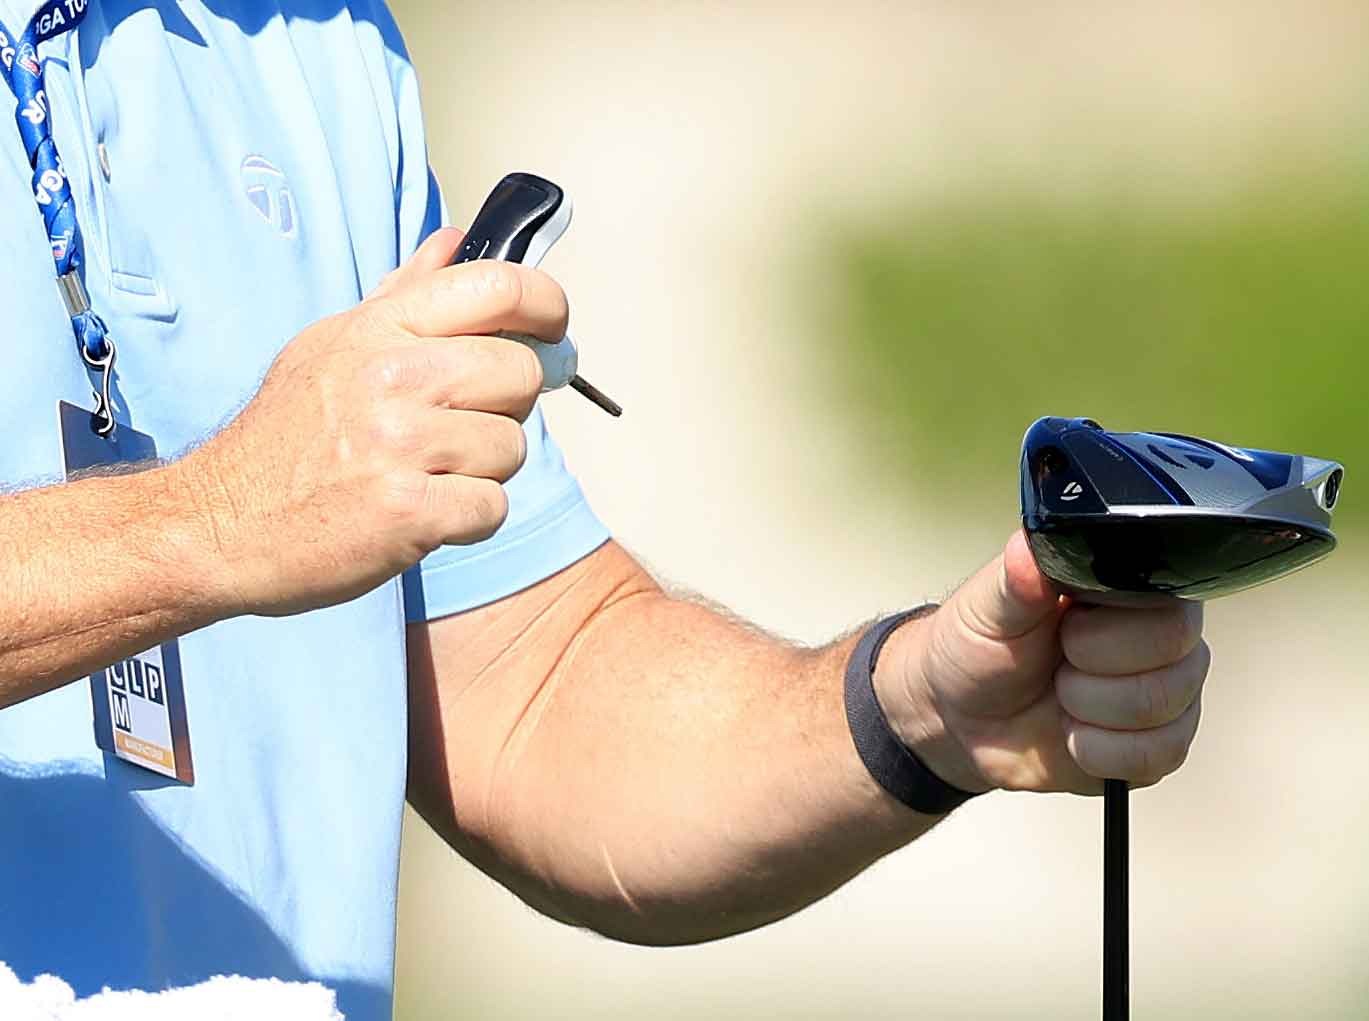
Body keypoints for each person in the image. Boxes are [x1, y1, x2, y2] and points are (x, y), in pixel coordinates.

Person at [0, 1, 1209, 1017]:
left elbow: (531, 689)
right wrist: (215, 519)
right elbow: (260, 504)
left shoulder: (318, 39)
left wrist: (919, 707)